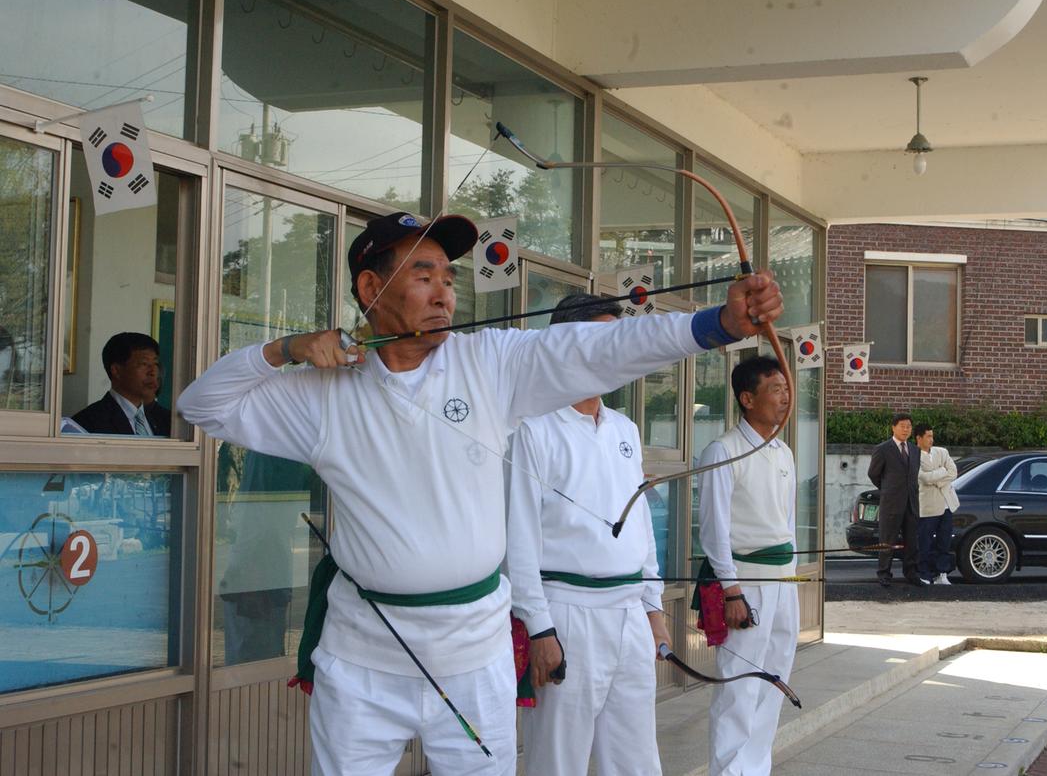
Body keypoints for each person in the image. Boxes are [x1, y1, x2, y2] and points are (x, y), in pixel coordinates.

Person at [176, 210, 783, 776]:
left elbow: (597, 349)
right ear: (370, 290)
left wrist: (716, 325)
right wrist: (284, 350)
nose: (445, 292)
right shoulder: (322, 392)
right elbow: (201, 404)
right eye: (423, 275)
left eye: (449, 276)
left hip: (475, 655)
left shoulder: (488, 362)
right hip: (362, 657)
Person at [506, 294, 670, 776]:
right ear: (564, 345)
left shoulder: (625, 428)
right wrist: (539, 627)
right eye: (602, 341)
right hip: (567, 613)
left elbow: (639, 521)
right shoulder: (533, 427)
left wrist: (653, 608)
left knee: (637, 756)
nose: (613, 355)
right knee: (558, 759)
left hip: (628, 612)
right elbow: (518, 536)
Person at [696, 355, 797, 776]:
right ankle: (728, 770)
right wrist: (731, 590)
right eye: (775, 389)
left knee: (772, 682)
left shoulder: (784, 451)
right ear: (747, 398)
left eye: (785, 388)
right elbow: (713, 530)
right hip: (745, 584)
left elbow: (786, 525)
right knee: (739, 683)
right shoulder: (723, 450)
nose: (785, 397)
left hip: (782, 580)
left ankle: (755, 768)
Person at [72, 332, 170, 437]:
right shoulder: (86, 423)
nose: (153, 372)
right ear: (116, 371)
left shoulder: (168, 420)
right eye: (144, 364)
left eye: (155, 363)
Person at [868, 413, 920, 587]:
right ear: (894, 427)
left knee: (912, 540)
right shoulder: (883, 449)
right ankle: (884, 573)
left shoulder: (914, 450)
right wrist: (888, 490)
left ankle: (911, 573)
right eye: (903, 426)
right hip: (891, 503)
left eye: (909, 426)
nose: (906, 429)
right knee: (887, 540)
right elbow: (873, 474)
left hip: (911, 503)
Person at [915, 424, 958, 586]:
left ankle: (942, 573)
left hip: (946, 504)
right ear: (919, 438)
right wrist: (942, 472)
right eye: (928, 436)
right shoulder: (914, 455)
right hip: (928, 505)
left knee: (944, 541)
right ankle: (924, 574)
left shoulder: (942, 452)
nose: (931, 440)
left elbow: (953, 472)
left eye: (932, 436)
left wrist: (936, 478)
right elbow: (923, 478)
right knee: (924, 542)